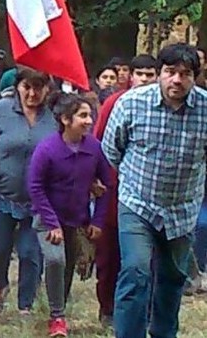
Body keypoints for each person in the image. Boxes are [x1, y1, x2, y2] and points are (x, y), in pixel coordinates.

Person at [102, 44, 207, 338]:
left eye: (185, 74)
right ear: (160, 73)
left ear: (194, 77)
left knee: (173, 279)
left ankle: (163, 333)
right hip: (137, 203)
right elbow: (111, 151)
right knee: (136, 272)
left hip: (182, 208)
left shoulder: (205, 110)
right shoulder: (131, 104)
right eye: (170, 72)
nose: (177, 80)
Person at [28, 94, 111, 337]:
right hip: (47, 219)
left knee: (67, 269)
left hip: (77, 220)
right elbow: (35, 186)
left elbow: (107, 185)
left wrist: (97, 220)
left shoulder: (94, 148)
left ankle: (58, 308)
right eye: (82, 115)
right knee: (55, 260)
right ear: (65, 119)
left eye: (89, 115)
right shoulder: (47, 149)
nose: (88, 121)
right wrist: (52, 223)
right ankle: (57, 317)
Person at [91, 54, 157, 326]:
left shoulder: (164, 105)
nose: (143, 79)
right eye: (139, 74)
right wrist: (93, 179)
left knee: (144, 258)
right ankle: (107, 308)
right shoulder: (115, 103)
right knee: (109, 254)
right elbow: (98, 144)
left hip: (150, 193)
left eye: (149, 74)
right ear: (130, 76)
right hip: (113, 190)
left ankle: (144, 310)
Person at [0, 68, 56, 315]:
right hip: (3, 194)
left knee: (30, 252)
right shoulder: (0, 112)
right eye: (27, 87)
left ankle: (25, 304)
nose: (32, 93)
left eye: (39, 88)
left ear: (47, 89)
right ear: (18, 87)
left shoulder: (54, 118)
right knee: (0, 249)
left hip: (39, 200)